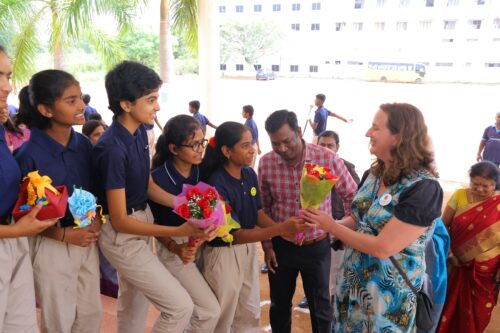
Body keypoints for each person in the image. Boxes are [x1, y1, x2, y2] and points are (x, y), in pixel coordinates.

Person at [302, 103, 443, 333]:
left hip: (387, 302)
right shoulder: (374, 174)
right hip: (351, 289)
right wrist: (322, 223)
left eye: (376, 128)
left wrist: (331, 226)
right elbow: (360, 221)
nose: (368, 133)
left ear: (398, 137)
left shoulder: (423, 188)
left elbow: (382, 247)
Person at [92, 61, 209, 333]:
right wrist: (178, 229)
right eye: (151, 99)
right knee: (179, 306)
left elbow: (146, 185)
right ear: (126, 104)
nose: (157, 107)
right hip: (123, 234)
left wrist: (184, 205)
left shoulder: (141, 134)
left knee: (134, 303)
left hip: (141, 220)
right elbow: (119, 220)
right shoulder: (111, 148)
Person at [15, 69, 103, 333]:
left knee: (90, 315)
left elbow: (93, 191)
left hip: (86, 240)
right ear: (45, 110)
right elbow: (21, 213)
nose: (81, 106)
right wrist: (61, 234)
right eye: (71, 100)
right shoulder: (27, 155)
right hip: (50, 243)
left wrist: (96, 219)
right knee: (59, 320)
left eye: (81, 98)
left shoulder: (84, 146)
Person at [201, 121, 308, 333]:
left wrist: (284, 232)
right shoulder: (215, 184)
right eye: (245, 145)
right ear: (226, 151)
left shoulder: (248, 174)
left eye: (252, 144)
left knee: (248, 313)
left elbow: (257, 213)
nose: (252, 150)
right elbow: (235, 234)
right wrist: (280, 229)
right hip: (223, 255)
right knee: (223, 316)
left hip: (247, 251)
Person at [258, 110, 357, 333]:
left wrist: (342, 229)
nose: (282, 149)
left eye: (287, 141)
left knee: (321, 307)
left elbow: (351, 195)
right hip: (281, 248)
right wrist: (268, 245)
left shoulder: (326, 158)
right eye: (275, 144)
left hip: (318, 246)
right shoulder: (266, 163)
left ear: (299, 132)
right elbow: (262, 208)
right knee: (279, 305)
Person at [0, 43, 57, 333]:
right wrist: (17, 231)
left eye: (8, 76)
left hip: (13, 238)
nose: (7, 86)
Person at [148, 114, 221, 332]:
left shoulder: (203, 169)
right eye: (194, 144)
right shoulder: (159, 178)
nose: (200, 149)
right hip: (175, 250)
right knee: (208, 310)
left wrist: (210, 229)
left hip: (200, 246)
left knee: (195, 311)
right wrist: (174, 247)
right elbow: (153, 226)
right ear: (173, 148)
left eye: (202, 142)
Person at [297, 130, 360, 309]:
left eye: (330, 145)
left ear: (337, 147)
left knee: (333, 270)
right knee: (316, 270)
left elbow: (353, 196)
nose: (326, 149)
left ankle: (331, 301)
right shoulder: (309, 167)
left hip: (339, 225)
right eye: (322, 145)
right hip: (318, 227)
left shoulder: (346, 166)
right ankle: (311, 298)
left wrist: (345, 226)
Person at [437, 161, 500, 333]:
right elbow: (443, 227)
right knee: (446, 306)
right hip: (453, 263)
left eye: (485, 186)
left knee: (478, 311)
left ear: (495, 184)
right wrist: (449, 252)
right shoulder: (459, 195)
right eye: (475, 184)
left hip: (485, 271)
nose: (480, 189)